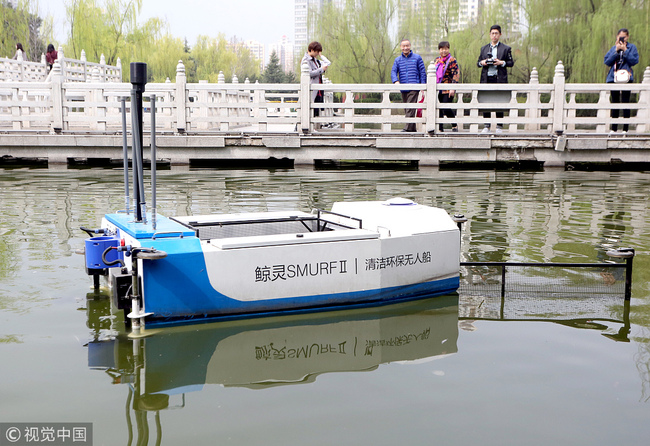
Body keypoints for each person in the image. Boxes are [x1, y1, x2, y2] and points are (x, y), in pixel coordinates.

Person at [477, 25, 514, 133]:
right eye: (492, 33)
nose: (494, 35)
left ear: (500, 35)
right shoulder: (484, 48)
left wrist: (501, 62)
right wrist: (482, 62)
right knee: (485, 101)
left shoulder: (506, 48)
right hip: (486, 77)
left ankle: (499, 126)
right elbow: (478, 63)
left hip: (499, 77)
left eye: (496, 33)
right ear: (490, 34)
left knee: (500, 101)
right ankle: (486, 125)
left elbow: (511, 63)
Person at [604, 28, 639, 134]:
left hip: (626, 78)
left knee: (625, 102)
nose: (622, 38)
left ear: (627, 37)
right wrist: (616, 51)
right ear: (617, 37)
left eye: (624, 37)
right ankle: (613, 128)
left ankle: (625, 129)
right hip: (613, 78)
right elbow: (607, 61)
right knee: (614, 103)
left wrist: (625, 50)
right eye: (620, 37)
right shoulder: (614, 48)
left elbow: (634, 61)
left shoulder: (631, 48)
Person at [391, 39, 426, 132]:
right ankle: (412, 128)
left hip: (414, 86)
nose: (405, 48)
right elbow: (393, 71)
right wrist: (395, 81)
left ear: (410, 46)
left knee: (410, 107)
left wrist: (423, 85)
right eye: (403, 46)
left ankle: (407, 128)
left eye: (407, 46)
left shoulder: (417, 58)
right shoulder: (397, 60)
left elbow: (422, 72)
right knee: (407, 108)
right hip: (403, 87)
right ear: (401, 47)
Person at [301, 41, 329, 127]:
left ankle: (315, 127)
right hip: (311, 87)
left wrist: (322, 59)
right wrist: (321, 69)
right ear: (312, 50)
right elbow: (310, 73)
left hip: (318, 88)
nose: (318, 54)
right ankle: (308, 127)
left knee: (316, 109)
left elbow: (326, 63)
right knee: (310, 108)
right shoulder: (306, 60)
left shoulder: (315, 60)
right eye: (317, 52)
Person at [434, 41, 460, 132]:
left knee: (445, 106)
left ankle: (454, 124)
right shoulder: (437, 60)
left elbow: (456, 74)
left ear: (448, 49)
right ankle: (440, 128)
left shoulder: (452, 60)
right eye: (441, 49)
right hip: (438, 88)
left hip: (448, 88)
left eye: (445, 49)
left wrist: (453, 87)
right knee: (439, 108)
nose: (443, 51)